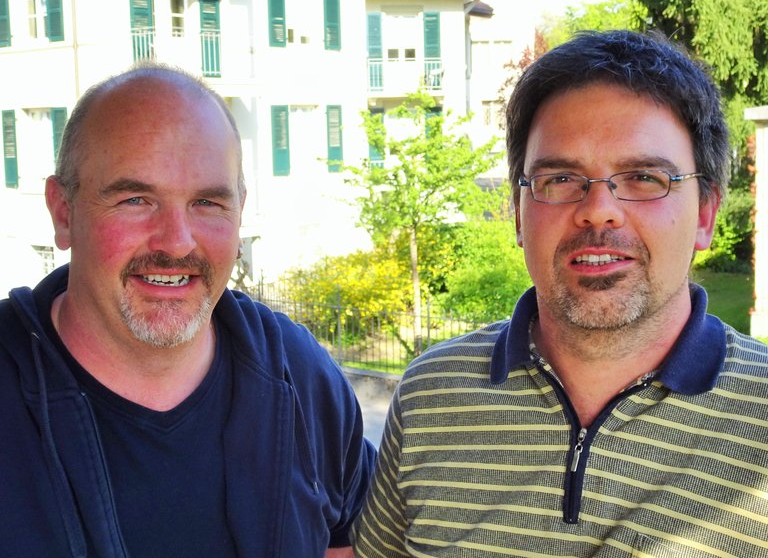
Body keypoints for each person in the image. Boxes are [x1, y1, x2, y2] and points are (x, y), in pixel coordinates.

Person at [351, 30, 768, 557]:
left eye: (644, 177)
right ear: (518, 213)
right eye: (561, 179)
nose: (598, 210)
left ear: (705, 214)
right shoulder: (429, 396)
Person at [0, 64, 375, 557]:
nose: (176, 243)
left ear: (239, 211)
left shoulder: (300, 376)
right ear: (63, 211)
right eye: (136, 199)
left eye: (207, 203)